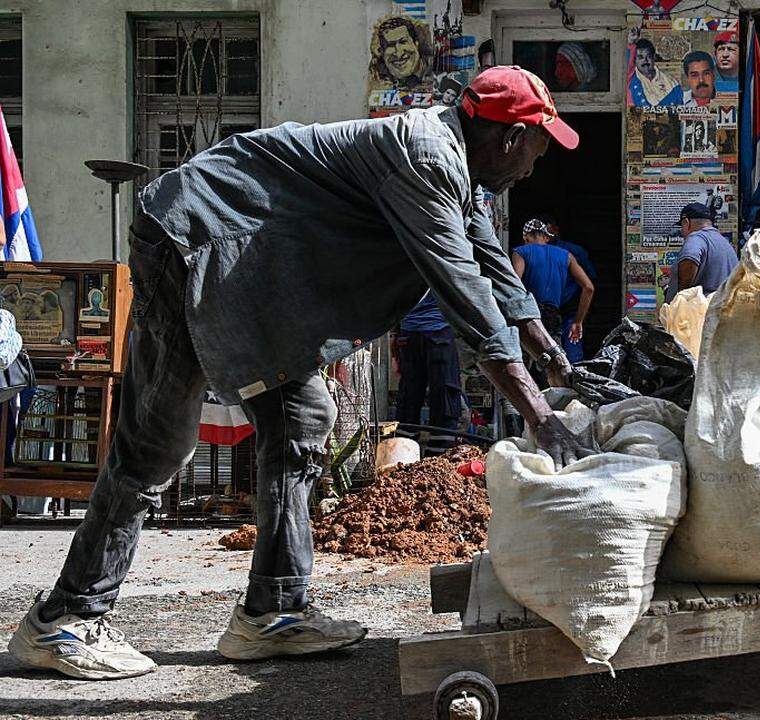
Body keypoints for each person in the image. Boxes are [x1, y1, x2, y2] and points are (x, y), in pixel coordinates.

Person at [6, 66, 593, 680]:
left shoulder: (461, 172)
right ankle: (64, 619)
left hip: (255, 263)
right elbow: (463, 290)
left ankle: (273, 611)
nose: (533, 167)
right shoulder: (426, 158)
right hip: (196, 237)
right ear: (508, 137)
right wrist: (541, 416)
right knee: (155, 443)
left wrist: (547, 347)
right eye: (538, 148)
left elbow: (491, 262)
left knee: (302, 416)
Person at [511, 219, 594, 372]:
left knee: (521, 367)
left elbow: (514, 285)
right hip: (552, 315)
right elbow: (588, 287)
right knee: (555, 367)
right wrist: (578, 321)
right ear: (546, 237)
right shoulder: (566, 256)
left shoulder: (520, 252)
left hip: (528, 315)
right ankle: (559, 395)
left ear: (525, 237)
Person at [394, 292, 465, 454]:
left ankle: (405, 455)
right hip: (437, 330)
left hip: (409, 333)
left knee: (409, 396)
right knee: (444, 394)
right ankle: (438, 457)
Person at [540, 214, 597, 363]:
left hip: (570, 308)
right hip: (545, 310)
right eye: (543, 232)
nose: (547, 235)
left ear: (557, 230)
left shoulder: (573, 252)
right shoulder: (533, 253)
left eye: (550, 231)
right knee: (548, 355)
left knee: (572, 352)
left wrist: (580, 316)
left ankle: (574, 380)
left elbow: (590, 281)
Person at [665, 202, 738, 302]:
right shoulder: (724, 242)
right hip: (720, 310)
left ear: (687, 223)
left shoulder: (695, 238)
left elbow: (690, 257)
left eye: (682, 226)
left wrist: (681, 299)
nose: (682, 232)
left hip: (699, 314)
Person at [370, 16, 432, 88]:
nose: (399, 54)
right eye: (390, 45)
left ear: (416, 44)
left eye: (403, 42)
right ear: (382, 52)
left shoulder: (437, 70)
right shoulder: (376, 76)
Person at [628, 38, 683, 107]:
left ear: (654, 57)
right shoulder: (629, 81)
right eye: (640, 57)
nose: (645, 61)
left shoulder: (672, 83)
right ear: (634, 60)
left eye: (648, 56)